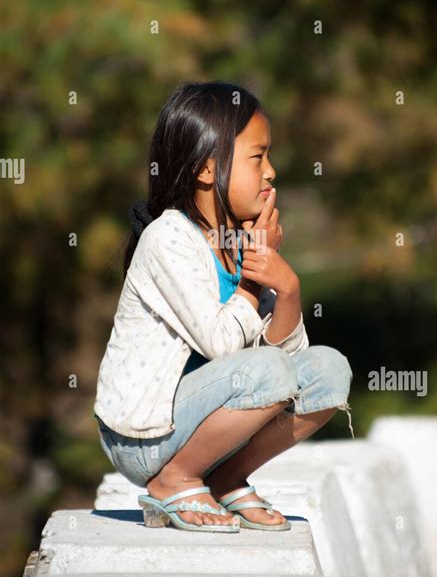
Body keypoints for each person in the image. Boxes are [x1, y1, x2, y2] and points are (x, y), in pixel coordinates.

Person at [93, 80, 354, 533]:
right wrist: (254, 280)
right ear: (206, 170)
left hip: (208, 423)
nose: (271, 171)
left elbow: (291, 370)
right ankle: (173, 479)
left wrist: (286, 288)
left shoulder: (240, 242)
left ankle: (225, 477)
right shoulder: (169, 238)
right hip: (143, 439)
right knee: (267, 370)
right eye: (258, 157)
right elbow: (224, 346)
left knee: (329, 370)